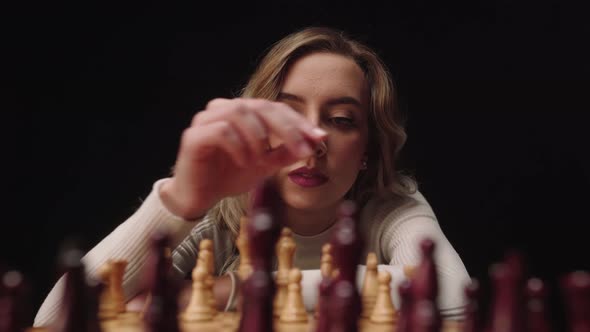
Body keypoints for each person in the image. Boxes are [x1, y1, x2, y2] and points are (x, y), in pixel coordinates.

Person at [34, 26, 470, 326]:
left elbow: (452, 296)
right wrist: (179, 203)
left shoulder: (389, 208)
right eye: (288, 114)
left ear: (367, 151)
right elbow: (53, 319)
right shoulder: (218, 214)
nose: (313, 139)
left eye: (340, 120)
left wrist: (233, 290)